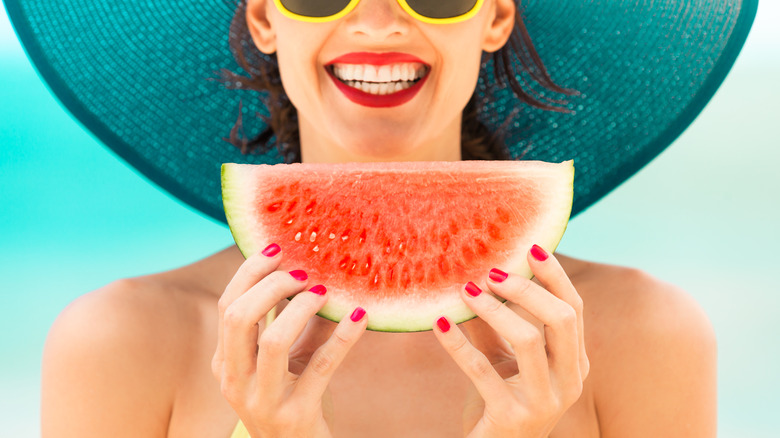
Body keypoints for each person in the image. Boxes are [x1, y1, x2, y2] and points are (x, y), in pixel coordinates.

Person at [3, 0, 756, 436]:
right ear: (266, 16)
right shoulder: (119, 343)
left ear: (493, 16)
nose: (378, 22)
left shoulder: (646, 336)